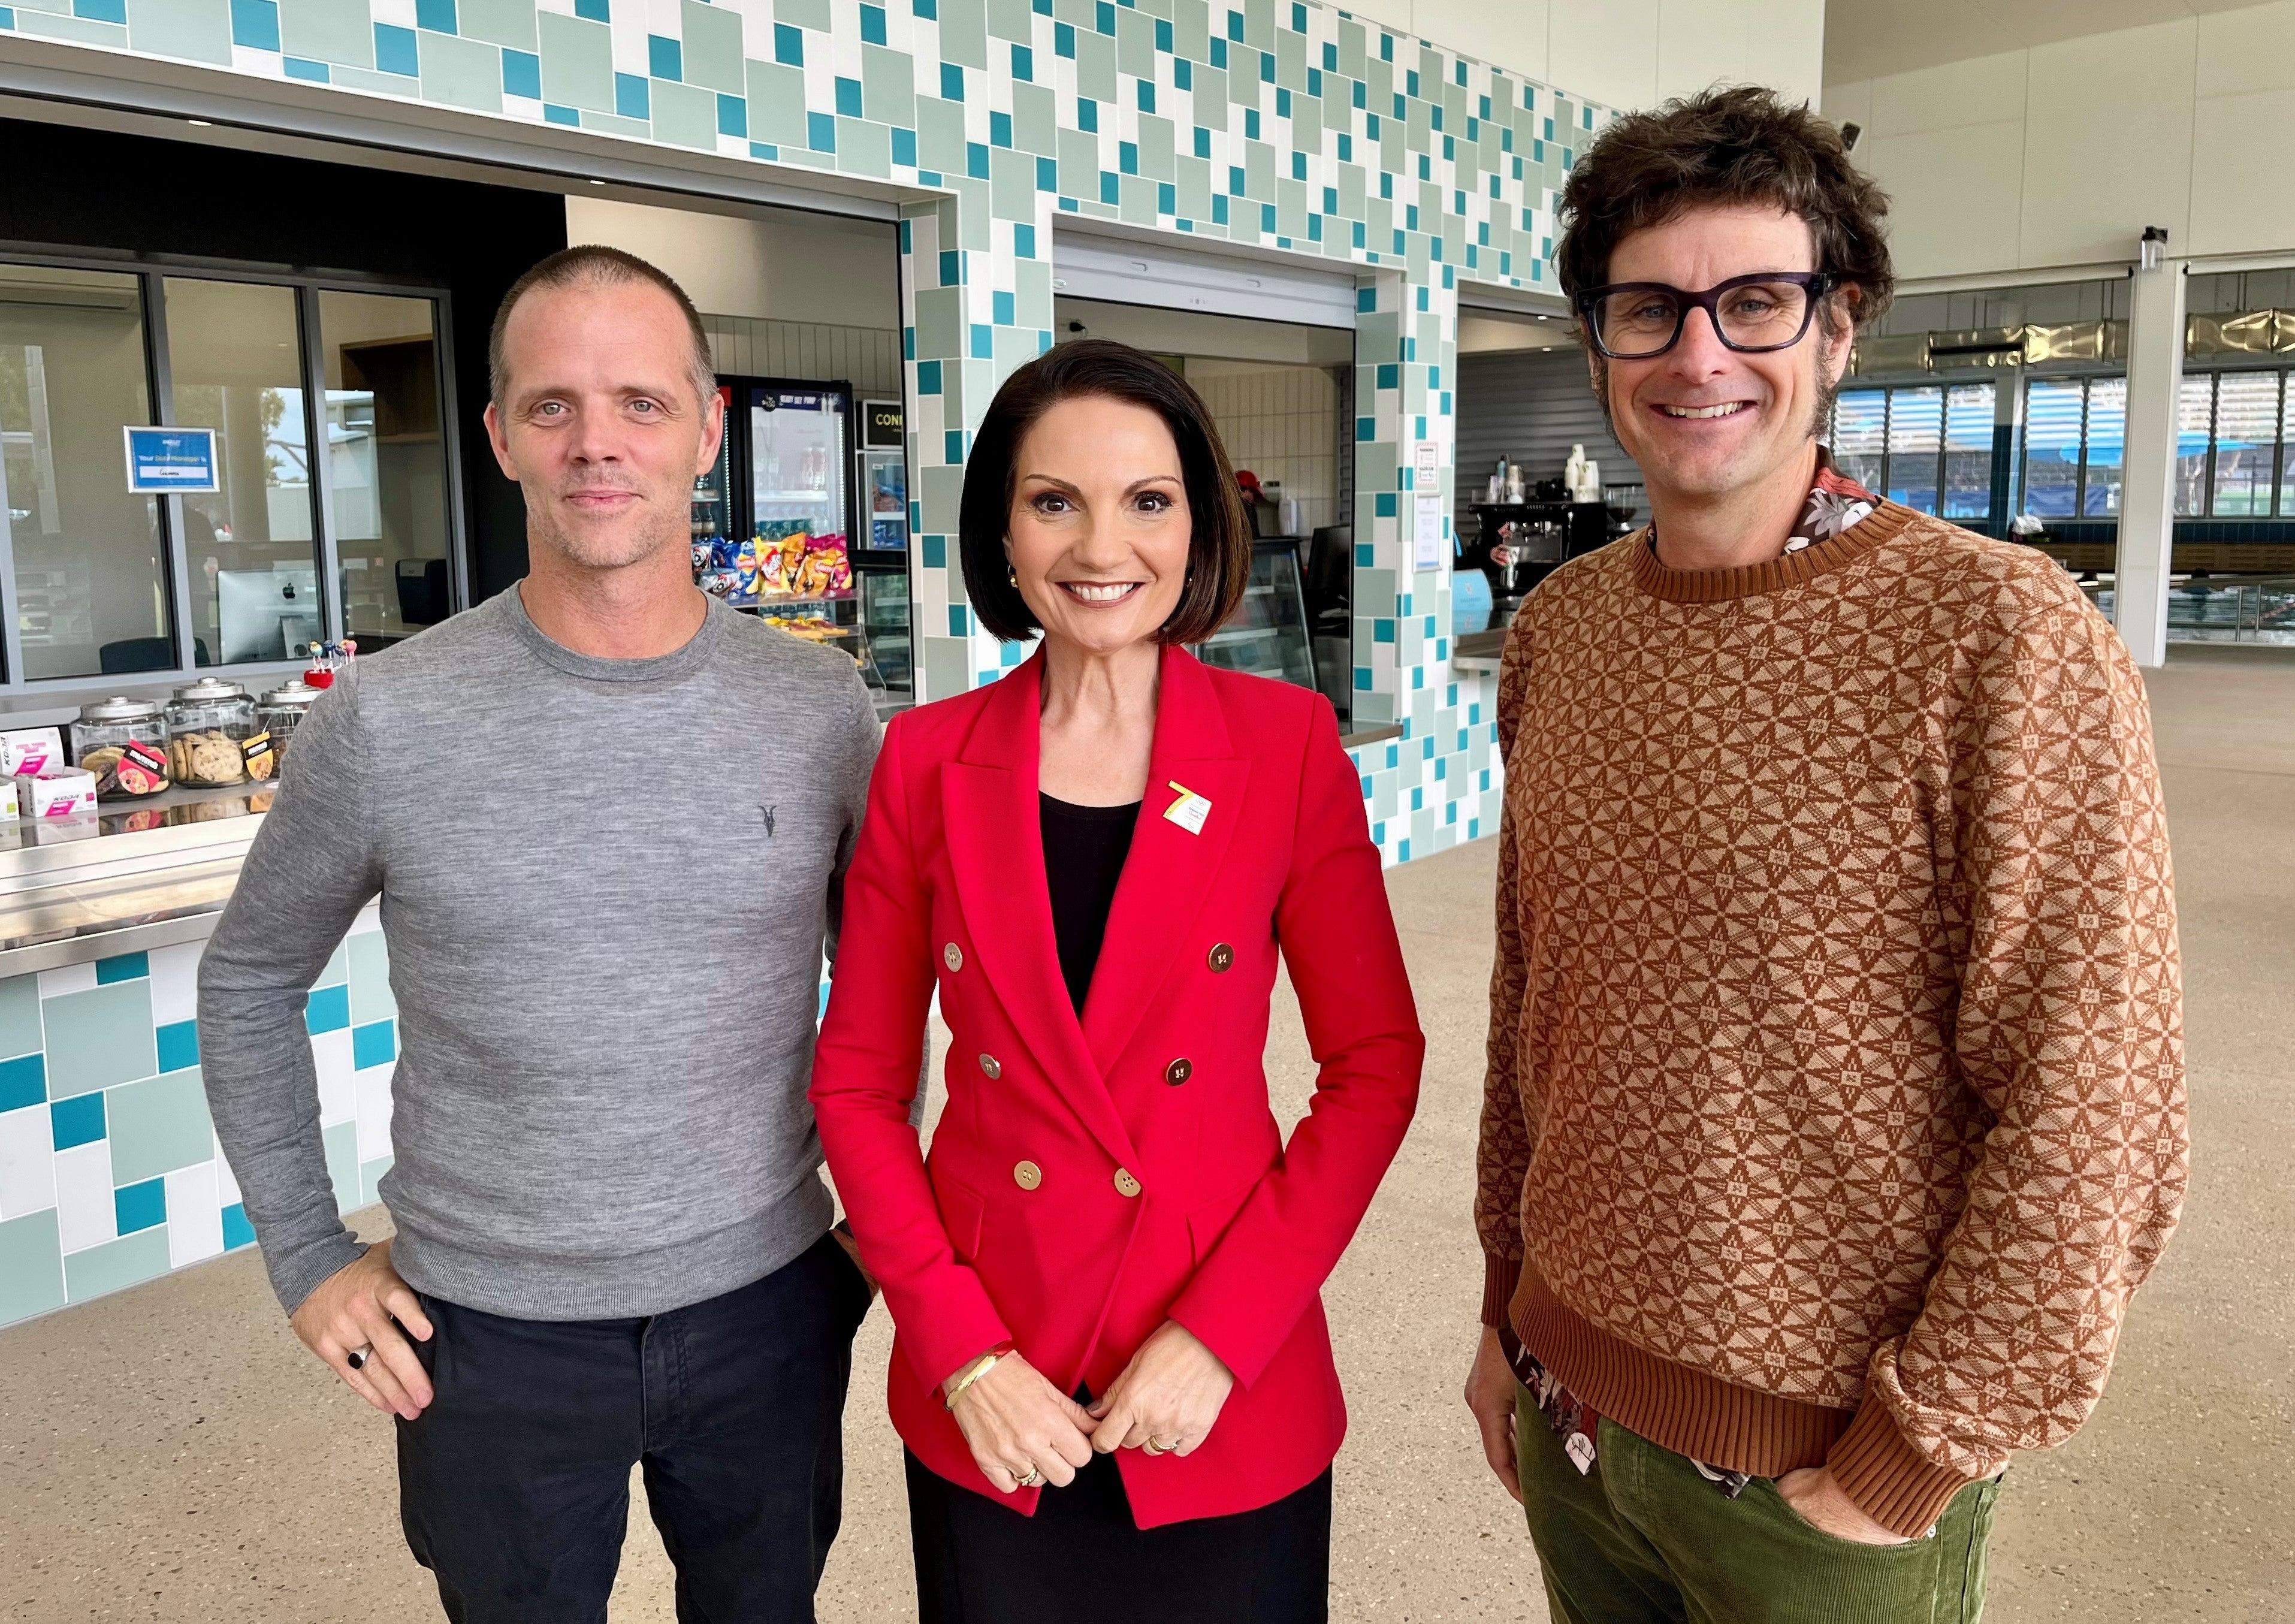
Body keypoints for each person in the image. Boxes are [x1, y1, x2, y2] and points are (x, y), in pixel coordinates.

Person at [1462, 87, 2188, 1623]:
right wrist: (1501, 1315)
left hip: (1825, 1480)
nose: (1699, 353)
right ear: (1596, 341)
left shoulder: (2000, 637)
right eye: (1647, 308)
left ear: (1838, 328)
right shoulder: (1562, 633)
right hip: (1571, 1402)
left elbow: (2096, 1099)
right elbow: (1536, 1007)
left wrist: (1907, 1460)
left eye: (1755, 301)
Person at [198, 245, 878, 1623]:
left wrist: (885, 1234)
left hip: (769, 1304)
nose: (597, 442)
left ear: (703, 424)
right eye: (553, 404)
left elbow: (899, 986)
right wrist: (306, 1255)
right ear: (502, 433)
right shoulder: (387, 718)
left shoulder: (820, 711)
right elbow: (250, 977)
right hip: (484, 1337)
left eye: (637, 400)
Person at [808, 337, 1424, 1623]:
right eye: (1054, 501)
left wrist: (1221, 1334)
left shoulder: (1284, 743)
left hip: (1216, 1368)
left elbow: (1374, 1065)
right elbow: (860, 1086)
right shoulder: (923, 759)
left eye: (1148, 499)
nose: (1102, 544)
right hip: (999, 1372)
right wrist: (961, 1349)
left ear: (1198, 523)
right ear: (1005, 533)